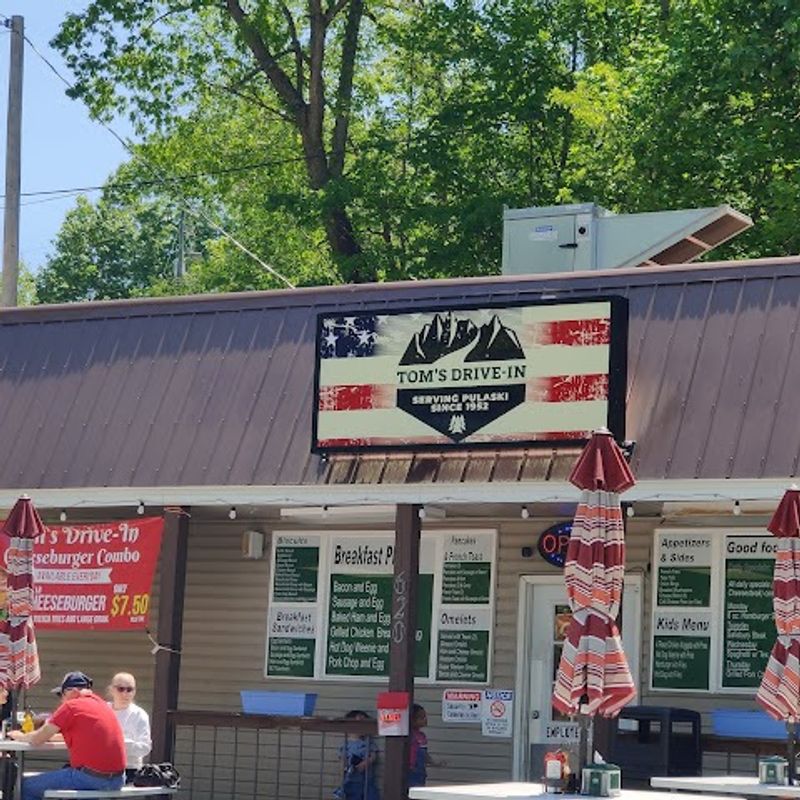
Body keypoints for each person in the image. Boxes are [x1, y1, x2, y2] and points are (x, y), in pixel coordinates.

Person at [9, 671, 126, 800]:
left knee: (26, 786)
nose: (61, 700)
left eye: (61, 694)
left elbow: (37, 739)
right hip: (118, 780)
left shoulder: (71, 706)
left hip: (91, 779)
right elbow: (80, 737)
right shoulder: (102, 705)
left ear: (71, 691)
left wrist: (19, 736)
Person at [106, 672, 151, 783]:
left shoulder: (139, 714)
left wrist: (122, 744)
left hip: (129, 769)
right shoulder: (103, 710)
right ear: (112, 690)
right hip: (101, 768)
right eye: (121, 689)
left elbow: (145, 748)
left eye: (129, 689)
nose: (125, 694)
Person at [334, 710, 379, 800]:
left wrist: (366, 762)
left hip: (367, 781)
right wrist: (344, 769)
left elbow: (373, 755)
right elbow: (342, 759)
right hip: (351, 781)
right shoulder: (346, 744)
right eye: (359, 724)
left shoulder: (368, 742)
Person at [408, 704, 445, 788]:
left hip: (420, 770)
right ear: (412, 720)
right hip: (411, 770)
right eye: (421, 718)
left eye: (425, 717)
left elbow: (424, 753)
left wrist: (434, 763)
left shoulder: (422, 736)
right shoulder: (409, 735)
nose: (425, 720)